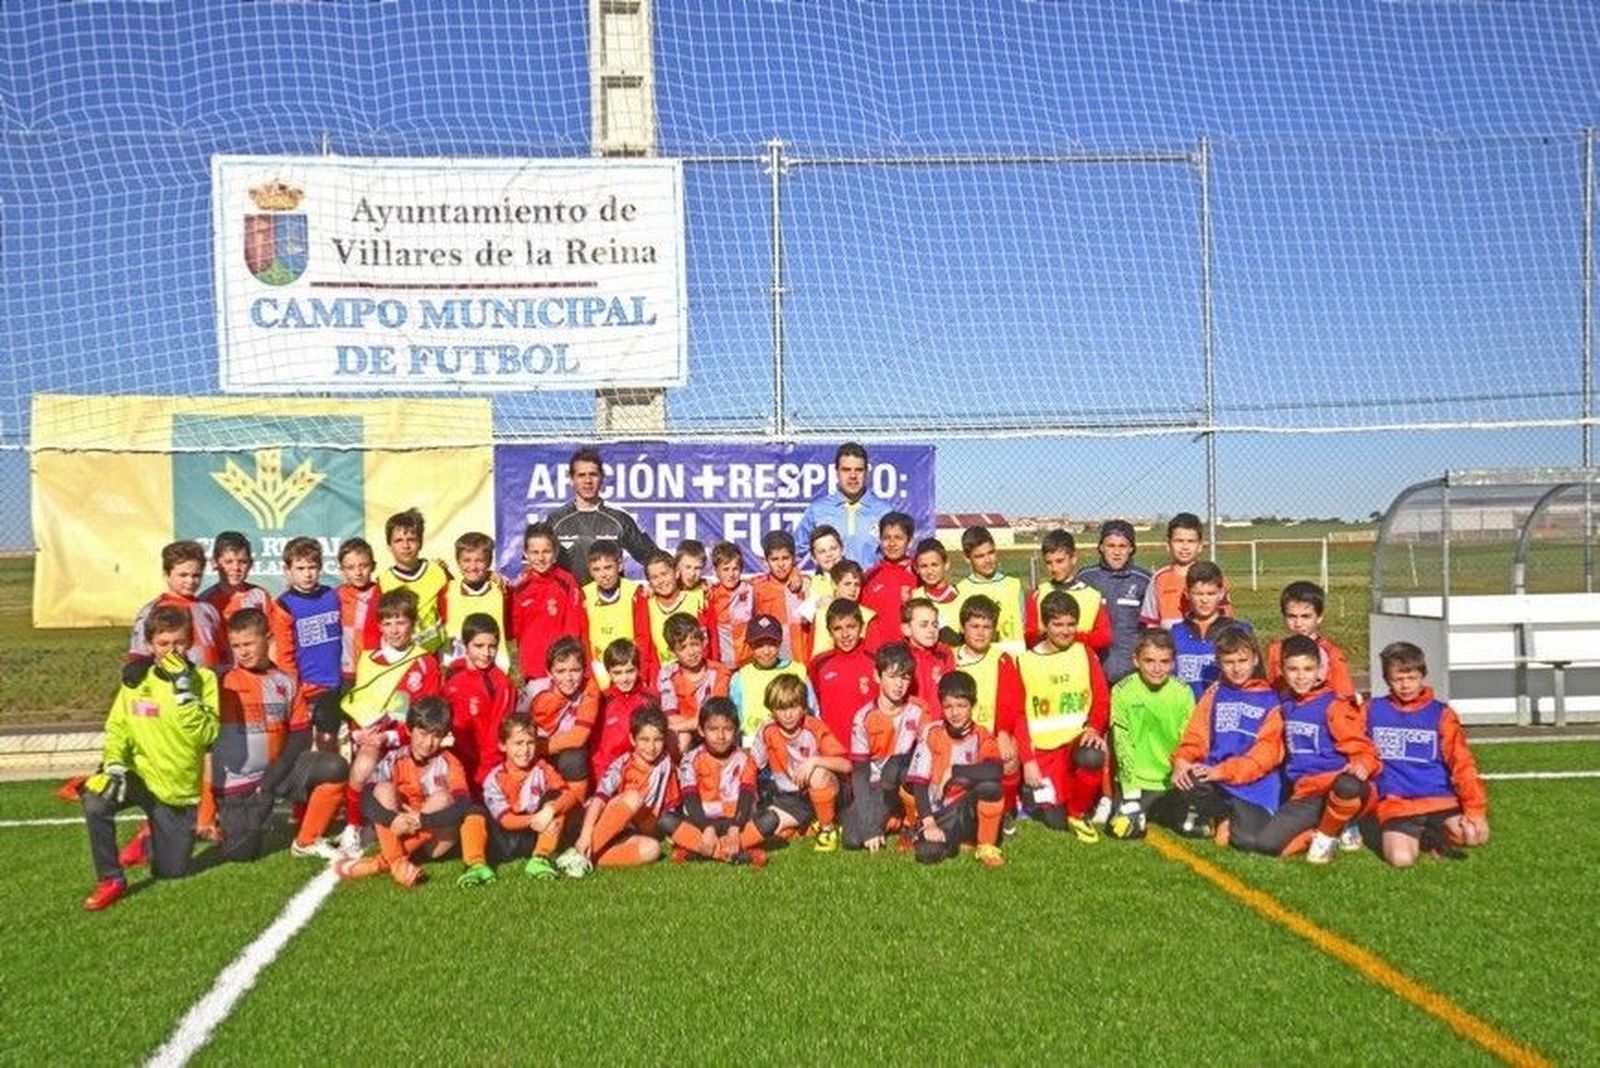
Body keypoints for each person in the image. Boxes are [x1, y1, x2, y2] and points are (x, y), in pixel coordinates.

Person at [81, 606, 220, 911]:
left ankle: (149, 839)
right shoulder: (135, 681)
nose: (172, 650)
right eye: (163, 644)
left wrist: (184, 692)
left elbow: (206, 735)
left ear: (191, 641)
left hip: (175, 790)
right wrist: (114, 762)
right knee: (95, 799)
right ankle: (111, 878)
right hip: (138, 776)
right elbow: (119, 726)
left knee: (171, 873)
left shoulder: (205, 680)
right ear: (150, 646)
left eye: (179, 643)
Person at [308, 588, 441, 856]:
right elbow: (361, 705)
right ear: (379, 625)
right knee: (367, 755)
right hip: (371, 740)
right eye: (387, 623)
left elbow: (426, 718)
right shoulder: (368, 659)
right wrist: (358, 733)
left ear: (412, 623)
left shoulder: (425, 663)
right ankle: (353, 827)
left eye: (401, 622)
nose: (394, 630)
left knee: (372, 756)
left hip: (406, 743)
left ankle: (373, 825)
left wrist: (390, 737)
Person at [213, 609, 347, 863]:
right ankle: (232, 815)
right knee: (241, 854)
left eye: (249, 643)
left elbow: (301, 734)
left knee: (334, 766)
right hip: (238, 781)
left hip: (277, 772)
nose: (242, 651)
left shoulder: (285, 681)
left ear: (269, 638)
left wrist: (273, 777)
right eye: (236, 646)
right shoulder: (222, 681)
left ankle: (306, 841)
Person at [1244, 635, 1377, 862]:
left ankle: (1331, 832)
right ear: (1283, 671)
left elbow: (1364, 748)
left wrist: (1363, 764)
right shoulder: (1284, 703)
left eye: (1308, 669)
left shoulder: (1334, 705)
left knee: (1348, 784)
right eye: (1293, 669)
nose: (1300, 676)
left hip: (1338, 786)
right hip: (1306, 792)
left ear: (1319, 671)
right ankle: (1330, 827)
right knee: (1265, 845)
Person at [1368, 642, 1489, 867]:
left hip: (1440, 800)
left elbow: (1462, 763)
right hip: (1399, 804)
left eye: (1412, 678)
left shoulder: (1441, 713)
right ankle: (1410, 835)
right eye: (1398, 679)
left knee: (1472, 835)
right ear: (1387, 680)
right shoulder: (1372, 710)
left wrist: (1475, 809)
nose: (1405, 685)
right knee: (1401, 860)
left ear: (1422, 675)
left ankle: (1435, 835)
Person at [334, 697, 470, 887]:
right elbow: (365, 797)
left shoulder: (450, 762)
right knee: (382, 788)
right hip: (398, 830)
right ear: (408, 730)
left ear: (444, 736)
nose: (428, 742)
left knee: (443, 797)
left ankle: (379, 863)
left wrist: (423, 820)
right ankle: (399, 862)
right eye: (422, 734)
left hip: (433, 838)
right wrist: (392, 819)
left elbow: (463, 805)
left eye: (436, 735)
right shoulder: (395, 758)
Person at [1170, 626, 1284, 850]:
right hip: (1216, 780)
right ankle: (1222, 815)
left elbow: (1264, 757)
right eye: (1228, 662)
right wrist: (1182, 760)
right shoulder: (1214, 692)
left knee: (1248, 841)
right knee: (1187, 779)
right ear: (1219, 663)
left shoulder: (1271, 701)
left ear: (1254, 660)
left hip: (1254, 785)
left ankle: (1231, 816)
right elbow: (1196, 736)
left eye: (1242, 661)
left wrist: (1222, 771)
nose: (1236, 669)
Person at [1016, 591, 1111, 843]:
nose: (1065, 631)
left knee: (1092, 755)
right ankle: (1035, 795)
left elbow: (1101, 699)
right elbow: (1019, 716)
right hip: (1044, 753)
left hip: (1076, 743)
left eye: (1070, 624)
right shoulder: (1025, 662)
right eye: (1057, 624)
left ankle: (1078, 813)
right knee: (1054, 823)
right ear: (1044, 625)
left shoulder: (1085, 653)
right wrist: (1028, 761)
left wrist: (1093, 728)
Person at [457, 712, 584, 885]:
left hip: (532, 837)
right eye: (518, 744)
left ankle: (540, 858)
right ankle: (475, 865)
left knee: (555, 799)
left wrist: (550, 810)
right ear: (503, 745)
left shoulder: (542, 768)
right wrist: (536, 819)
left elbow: (569, 796)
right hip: (502, 841)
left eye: (530, 743)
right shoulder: (495, 778)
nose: (525, 750)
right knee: (474, 812)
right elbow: (506, 820)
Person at [906, 672, 1006, 867]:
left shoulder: (981, 735)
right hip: (939, 812)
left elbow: (996, 770)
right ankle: (956, 839)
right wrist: (928, 822)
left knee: (991, 787)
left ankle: (986, 845)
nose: (955, 713)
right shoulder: (932, 732)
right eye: (948, 706)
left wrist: (955, 770)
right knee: (928, 853)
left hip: (966, 809)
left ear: (973, 706)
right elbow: (918, 782)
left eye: (962, 706)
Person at [566, 704, 677, 875]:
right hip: (609, 821)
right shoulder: (622, 765)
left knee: (653, 849)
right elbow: (599, 799)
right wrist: (586, 835)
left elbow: (672, 801)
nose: (652, 747)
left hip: (633, 830)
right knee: (633, 797)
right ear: (632, 739)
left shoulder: (666, 762)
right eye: (644, 740)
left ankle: (590, 858)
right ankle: (580, 851)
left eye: (658, 740)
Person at [1106, 628, 1194, 839]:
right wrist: (1130, 792)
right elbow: (1122, 742)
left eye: (1164, 662)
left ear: (1173, 663)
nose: (1157, 669)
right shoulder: (1122, 691)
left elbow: (1188, 741)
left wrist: (1180, 774)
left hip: (1170, 780)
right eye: (1149, 661)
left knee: (1192, 831)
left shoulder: (1183, 693)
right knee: (1122, 831)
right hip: (1136, 781)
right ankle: (1138, 807)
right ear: (1136, 660)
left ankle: (1184, 809)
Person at [747, 674, 852, 852]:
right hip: (791, 799)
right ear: (772, 710)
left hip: (828, 790)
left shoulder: (814, 727)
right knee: (765, 826)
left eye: (793, 707)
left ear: (803, 707)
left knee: (817, 774)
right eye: (781, 708)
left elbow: (846, 765)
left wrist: (814, 761)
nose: (788, 714)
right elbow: (751, 766)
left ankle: (827, 830)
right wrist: (749, 800)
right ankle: (807, 825)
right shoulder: (767, 731)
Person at [950, 595, 1029, 828]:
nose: (981, 632)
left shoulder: (1001, 659)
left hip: (991, 735)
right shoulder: (951, 658)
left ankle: (1005, 809)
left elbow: (1012, 702)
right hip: (957, 735)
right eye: (974, 626)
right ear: (962, 628)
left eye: (987, 627)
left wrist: (1004, 733)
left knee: (1009, 759)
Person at [660, 698, 768, 866]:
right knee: (665, 819)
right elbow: (690, 798)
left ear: (736, 730)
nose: (721, 736)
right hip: (702, 821)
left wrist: (734, 828)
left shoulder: (745, 759)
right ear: (701, 731)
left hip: (736, 821)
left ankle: (698, 851)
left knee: (770, 820)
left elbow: (747, 796)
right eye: (713, 729)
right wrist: (706, 828)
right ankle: (734, 853)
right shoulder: (691, 759)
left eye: (728, 729)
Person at [841, 644, 928, 852]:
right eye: (892, 676)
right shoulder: (863, 718)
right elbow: (860, 775)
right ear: (877, 677)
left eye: (905, 677)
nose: (899, 684)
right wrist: (870, 828)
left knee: (899, 763)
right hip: (876, 789)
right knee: (852, 840)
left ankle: (912, 824)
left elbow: (930, 755)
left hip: (906, 780)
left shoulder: (919, 710)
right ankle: (893, 820)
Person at [543, 446, 658, 584]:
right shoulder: (555, 520)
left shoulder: (620, 518)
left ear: (601, 477)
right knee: (582, 544)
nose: (588, 481)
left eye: (593, 474)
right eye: (581, 475)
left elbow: (653, 558)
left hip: (610, 599)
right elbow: (538, 560)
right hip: (570, 600)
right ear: (571, 479)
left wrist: (656, 582)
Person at [442, 613, 514, 798]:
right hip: (451, 760)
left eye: (492, 647)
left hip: (482, 770)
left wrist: (482, 776)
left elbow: (498, 737)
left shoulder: (501, 684)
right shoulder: (453, 672)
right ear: (465, 646)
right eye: (479, 646)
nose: (486, 653)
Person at [521, 637, 601, 801]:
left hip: (558, 751)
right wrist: (530, 749)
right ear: (549, 672)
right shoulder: (534, 690)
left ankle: (576, 809)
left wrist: (538, 747)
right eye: (561, 671)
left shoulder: (589, 688)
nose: (569, 678)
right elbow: (515, 731)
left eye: (575, 670)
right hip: (532, 751)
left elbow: (579, 737)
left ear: (584, 670)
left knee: (573, 757)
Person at [508, 521, 587, 686]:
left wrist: (566, 666)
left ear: (555, 552)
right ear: (525, 553)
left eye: (546, 551)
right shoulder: (519, 586)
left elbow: (573, 629)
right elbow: (512, 631)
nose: (541, 558)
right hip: (532, 671)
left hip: (563, 672)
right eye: (534, 552)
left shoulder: (567, 582)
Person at [129, 539, 226, 669]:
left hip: (210, 683)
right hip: (171, 684)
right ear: (166, 574)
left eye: (196, 575)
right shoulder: (152, 610)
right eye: (183, 575)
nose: (190, 581)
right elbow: (139, 654)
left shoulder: (208, 609)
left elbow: (223, 651)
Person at [794, 442, 892, 568]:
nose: (853, 476)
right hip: (830, 587)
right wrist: (794, 572)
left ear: (867, 472)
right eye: (846, 470)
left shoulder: (884, 512)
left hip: (871, 586)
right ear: (836, 471)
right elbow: (795, 550)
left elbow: (897, 554)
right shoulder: (817, 510)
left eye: (859, 470)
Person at [1077, 519, 1152, 684]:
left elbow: (1151, 628)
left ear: (1131, 549)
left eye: (1122, 546)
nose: (1116, 552)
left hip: (1132, 670)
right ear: (1101, 548)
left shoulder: (1143, 580)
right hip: (1094, 669)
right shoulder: (1086, 578)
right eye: (1111, 546)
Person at [271, 536, 343, 702]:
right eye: (300, 568)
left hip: (338, 683)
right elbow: (284, 655)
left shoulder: (332, 595)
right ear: (287, 570)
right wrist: (294, 688)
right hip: (307, 690)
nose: (308, 574)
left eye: (312, 567)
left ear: (320, 568)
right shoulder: (284, 605)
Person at [1264, 581, 1357, 701]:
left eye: (1305, 616)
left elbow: (1344, 695)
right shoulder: (1276, 649)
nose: (1298, 624)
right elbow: (1273, 688)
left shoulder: (1331, 653)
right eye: (1292, 616)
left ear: (1319, 618)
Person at [376, 508, 452, 655]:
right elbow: (376, 624)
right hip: (401, 655)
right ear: (389, 546)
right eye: (398, 541)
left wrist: (489, 575)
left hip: (436, 653)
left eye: (411, 539)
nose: (405, 546)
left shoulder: (438, 572)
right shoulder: (383, 581)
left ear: (421, 542)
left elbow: (458, 602)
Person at [634, 550, 719, 679]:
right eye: (654, 577)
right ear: (649, 582)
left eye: (664, 574)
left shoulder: (699, 600)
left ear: (676, 573)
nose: (661, 581)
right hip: (665, 682)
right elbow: (645, 650)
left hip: (698, 679)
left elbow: (712, 644)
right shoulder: (646, 606)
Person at [1023, 529, 1111, 654]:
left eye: (1060, 561)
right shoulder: (1037, 594)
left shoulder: (1092, 596)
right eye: (1049, 563)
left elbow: (1103, 638)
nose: (1054, 568)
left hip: (1080, 663)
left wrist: (1066, 636)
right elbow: (1029, 636)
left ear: (1073, 558)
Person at [1140, 512, 1231, 630]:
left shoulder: (1215, 576)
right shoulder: (1159, 579)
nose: (1185, 547)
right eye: (1179, 541)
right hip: (1171, 646)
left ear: (1200, 546)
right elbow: (1151, 624)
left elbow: (1228, 619)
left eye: (1191, 541)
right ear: (1168, 544)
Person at [1172, 562, 1249, 699]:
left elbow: (1256, 679)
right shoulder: (1174, 634)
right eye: (1198, 593)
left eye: (1211, 593)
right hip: (1186, 715)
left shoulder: (1239, 631)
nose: (1204, 600)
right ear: (1187, 594)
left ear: (1221, 594)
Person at [656, 613, 733, 749]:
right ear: (672, 651)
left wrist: (690, 722)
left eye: (694, 644)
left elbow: (714, 716)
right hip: (684, 734)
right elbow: (670, 716)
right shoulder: (667, 674)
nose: (691, 652)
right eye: (682, 648)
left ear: (703, 642)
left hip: (715, 733)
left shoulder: (719, 671)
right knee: (683, 736)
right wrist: (693, 722)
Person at [808, 599, 880, 743]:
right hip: (833, 749)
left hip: (868, 747)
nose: (845, 634)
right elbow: (815, 705)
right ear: (829, 631)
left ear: (861, 627)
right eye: (838, 628)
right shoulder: (819, 664)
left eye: (851, 627)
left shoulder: (876, 662)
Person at [581, 539, 647, 688]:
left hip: (628, 671)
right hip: (599, 672)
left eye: (608, 567)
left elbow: (643, 637)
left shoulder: (635, 593)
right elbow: (584, 638)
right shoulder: (585, 595)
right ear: (590, 570)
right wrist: (590, 674)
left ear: (620, 565)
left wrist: (640, 671)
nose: (603, 574)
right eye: (597, 569)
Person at [731, 613, 810, 736]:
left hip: (792, 744)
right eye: (759, 645)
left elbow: (812, 713)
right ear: (750, 646)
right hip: (753, 747)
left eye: (772, 644)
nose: (766, 651)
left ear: (780, 643)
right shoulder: (740, 677)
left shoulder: (798, 671)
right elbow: (735, 719)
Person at [442, 531, 510, 673]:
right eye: (466, 560)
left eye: (479, 561)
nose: (472, 567)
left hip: (493, 664)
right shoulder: (448, 589)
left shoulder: (499, 589)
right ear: (458, 561)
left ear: (489, 562)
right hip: (456, 665)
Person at [591, 639, 656, 784]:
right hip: (608, 775)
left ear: (638, 669)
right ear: (609, 673)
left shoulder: (651, 699)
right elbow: (597, 751)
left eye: (630, 671)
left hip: (643, 772)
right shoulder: (601, 701)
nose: (625, 678)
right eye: (618, 673)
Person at [955, 525, 1026, 654]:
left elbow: (1023, 623)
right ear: (967, 558)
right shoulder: (960, 590)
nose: (988, 560)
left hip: (1012, 656)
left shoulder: (1013, 585)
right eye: (980, 556)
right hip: (979, 660)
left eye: (991, 553)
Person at [750, 529, 812, 666]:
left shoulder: (806, 583)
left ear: (794, 558)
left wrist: (797, 572)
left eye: (785, 558)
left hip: (804, 660)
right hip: (775, 661)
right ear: (766, 561)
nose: (781, 564)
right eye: (774, 559)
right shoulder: (757, 587)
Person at [860, 512, 919, 650]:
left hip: (909, 652)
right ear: (880, 540)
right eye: (886, 538)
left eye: (898, 538)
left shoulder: (918, 573)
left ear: (909, 540)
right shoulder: (869, 576)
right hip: (876, 652)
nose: (892, 543)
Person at [200, 530, 279, 631]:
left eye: (242, 562)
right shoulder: (206, 600)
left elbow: (272, 636)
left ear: (250, 564)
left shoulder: (260, 596)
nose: (236, 567)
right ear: (215, 563)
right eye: (229, 562)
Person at [335, 537, 381, 686]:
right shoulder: (335, 596)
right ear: (342, 570)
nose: (358, 572)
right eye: (350, 567)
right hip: (345, 672)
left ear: (373, 566)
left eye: (364, 566)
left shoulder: (382, 593)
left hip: (375, 670)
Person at [809, 560, 877, 658]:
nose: (853, 589)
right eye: (847, 584)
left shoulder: (868, 616)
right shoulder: (821, 614)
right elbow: (813, 648)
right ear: (834, 584)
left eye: (857, 584)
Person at [706, 541, 756, 668]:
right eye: (725, 569)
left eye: (735, 569)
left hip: (749, 662)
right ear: (715, 571)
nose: (731, 574)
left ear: (741, 569)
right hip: (723, 665)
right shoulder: (710, 594)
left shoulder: (750, 589)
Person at [901, 597, 954, 704]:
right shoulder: (900, 656)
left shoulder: (945, 653)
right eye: (923, 625)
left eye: (935, 625)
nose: (931, 630)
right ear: (907, 629)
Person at [911, 538, 961, 636]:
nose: (930, 571)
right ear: (917, 568)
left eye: (934, 565)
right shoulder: (913, 598)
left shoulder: (962, 596)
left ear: (946, 564)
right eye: (924, 566)